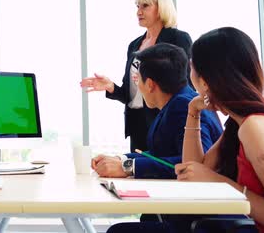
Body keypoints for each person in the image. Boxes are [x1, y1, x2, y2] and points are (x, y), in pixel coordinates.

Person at [175, 27, 264, 232]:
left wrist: (221, 182)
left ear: (205, 82)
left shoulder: (255, 128)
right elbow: (193, 170)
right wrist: (193, 110)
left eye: (192, 68)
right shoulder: (242, 124)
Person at [93, 43, 222, 233]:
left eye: (138, 81)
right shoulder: (178, 102)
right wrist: (121, 159)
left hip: (199, 222)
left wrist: (128, 168)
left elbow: (194, 164)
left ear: (151, 84)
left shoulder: (183, 107)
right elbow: (159, 153)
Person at [80, 0, 192, 152]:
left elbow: (185, 84)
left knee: (163, 171)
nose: (138, 12)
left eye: (145, 6)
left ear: (161, 7)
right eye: (137, 6)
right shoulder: (134, 45)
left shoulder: (178, 38)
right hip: (137, 124)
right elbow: (130, 94)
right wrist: (111, 87)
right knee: (136, 173)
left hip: (165, 120)